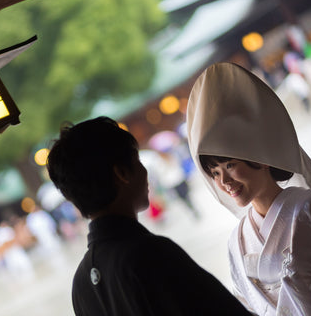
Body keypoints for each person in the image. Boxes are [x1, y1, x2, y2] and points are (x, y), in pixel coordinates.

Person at [186, 62, 311, 315]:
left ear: (258, 155)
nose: (223, 181)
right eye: (214, 172)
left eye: (230, 165)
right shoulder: (237, 242)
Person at [46, 116, 250, 315]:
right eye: (137, 160)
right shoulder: (150, 254)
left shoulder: (81, 285)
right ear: (122, 174)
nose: (145, 173)